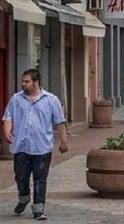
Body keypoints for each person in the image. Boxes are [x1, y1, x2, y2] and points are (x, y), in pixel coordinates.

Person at [2, 69, 68, 221]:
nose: (23, 84)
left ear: (36, 82)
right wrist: (7, 131)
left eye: (26, 81)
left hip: (42, 147)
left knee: (40, 179)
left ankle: (38, 209)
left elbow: (59, 121)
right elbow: (8, 117)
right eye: (22, 81)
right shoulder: (16, 99)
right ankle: (24, 198)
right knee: (21, 177)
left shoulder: (51, 100)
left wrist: (64, 142)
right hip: (21, 147)